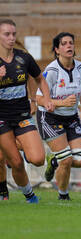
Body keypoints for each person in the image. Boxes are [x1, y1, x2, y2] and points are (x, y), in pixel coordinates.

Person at [36, 32, 81, 201]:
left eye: (71, 43)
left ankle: (54, 160)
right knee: (67, 160)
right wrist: (61, 103)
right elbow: (39, 99)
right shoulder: (52, 70)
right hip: (50, 117)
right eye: (64, 44)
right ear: (57, 50)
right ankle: (63, 196)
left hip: (71, 117)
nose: (69, 46)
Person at [0, 19, 53, 203]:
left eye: (14, 34)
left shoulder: (24, 58)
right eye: (7, 34)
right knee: (15, 162)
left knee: (38, 159)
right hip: (1, 119)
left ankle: (19, 144)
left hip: (22, 115)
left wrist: (44, 98)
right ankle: (30, 196)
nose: (11, 38)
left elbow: (40, 78)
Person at [0, 40, 38, 201]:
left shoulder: (21, 55)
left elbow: (31, 76)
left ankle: (19, 149)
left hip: (17, 114)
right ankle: (3, 191)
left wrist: (33, 99)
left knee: (10, 157)